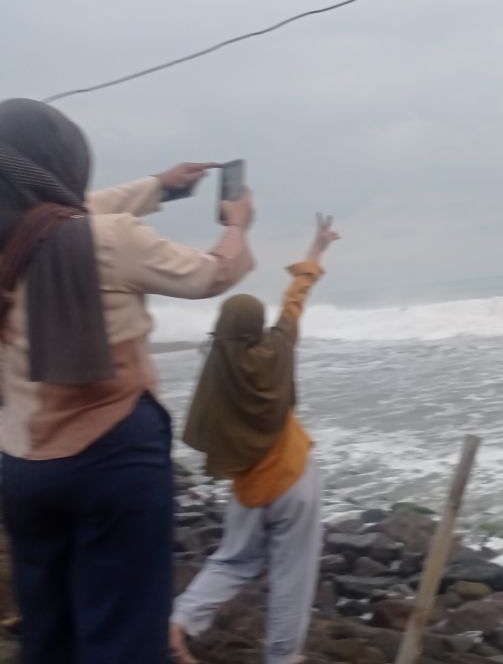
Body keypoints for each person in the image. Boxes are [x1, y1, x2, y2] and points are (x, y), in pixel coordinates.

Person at [0, 97, 256, 663]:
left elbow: (72, 211)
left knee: (49, 636)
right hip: (113, 458)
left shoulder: (13, 240)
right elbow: (214, 274)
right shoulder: (109, 239)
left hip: (21, 466)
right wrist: (236, 226)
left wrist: (160, 186)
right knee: (124, 637)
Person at [171, 213, 341, 664]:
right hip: (294, 479)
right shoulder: (278, 349)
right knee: (293, 576)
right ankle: (283, 657)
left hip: (248, 490)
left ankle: (181, 620)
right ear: (255, 327)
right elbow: (294, 301)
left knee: (233, 560)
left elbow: (204, 429)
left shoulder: (216, 369)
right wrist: (316, 249)